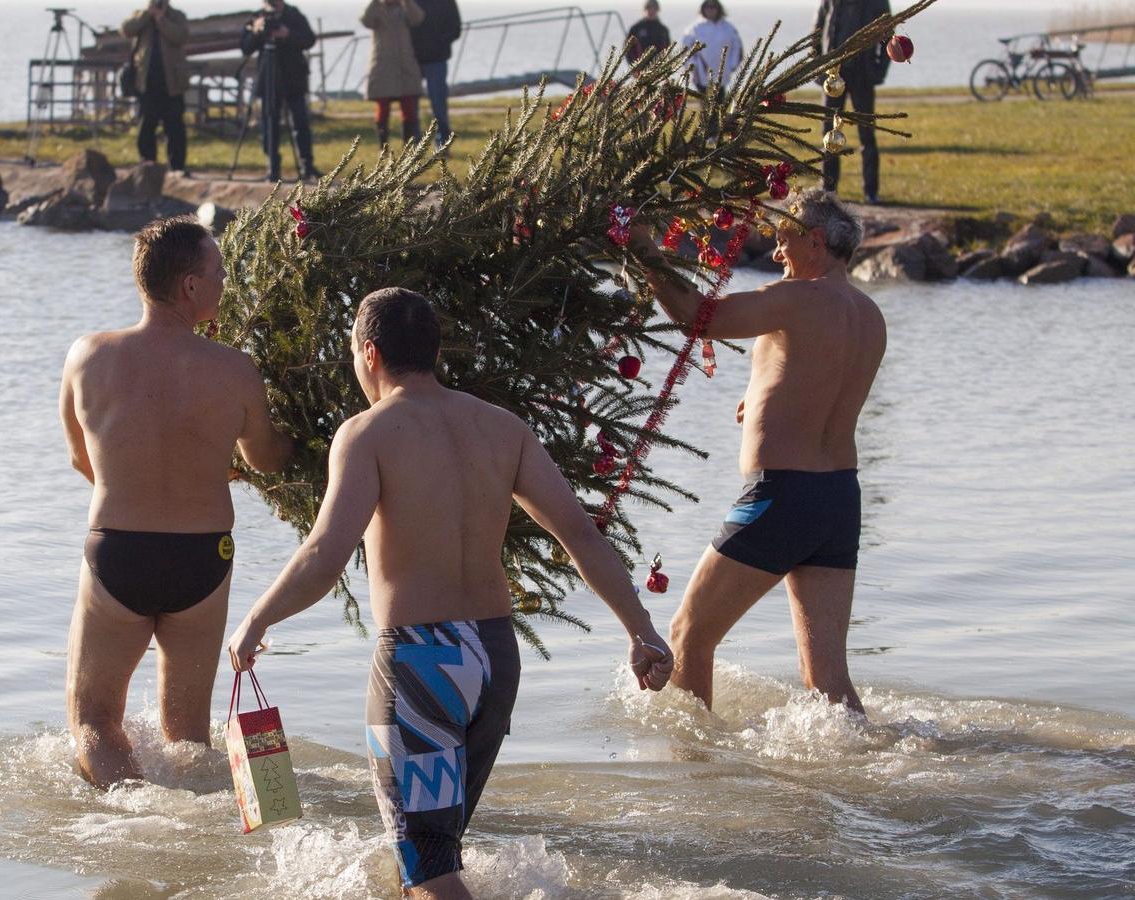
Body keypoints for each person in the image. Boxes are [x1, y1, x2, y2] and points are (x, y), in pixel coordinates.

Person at [227, 289, 673, 898]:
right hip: (492, 662)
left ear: (369, 353)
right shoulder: (503, 429)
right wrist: (641, 630)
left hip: (422, 670)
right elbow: (579, 534)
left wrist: (256, 617)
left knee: (430, 870)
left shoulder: (367, 434)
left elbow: (325, 553)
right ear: (435, 351)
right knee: (432, 856)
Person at [629, 189, 885, 715]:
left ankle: (699, 777)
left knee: (687, 637)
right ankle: (867, 779)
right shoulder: (868, 314)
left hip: (781, 496)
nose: (776, 254)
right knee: (827, 679)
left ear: (815, 242)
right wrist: (765, 395)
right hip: (839, 499)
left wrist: (642, 249)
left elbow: (696, 316)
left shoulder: (798, 299)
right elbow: (816, 380)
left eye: (784, 240)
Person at [59, 216, 294, 788]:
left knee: (94, 722)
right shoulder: (235, 369)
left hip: (120, 553)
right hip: (202, 559)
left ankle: (136, 815)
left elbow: (79, 459)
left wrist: (135, 487)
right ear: (189, 286)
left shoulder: (87, 356)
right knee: (187, 735)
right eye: (217, 272)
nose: (223, 282)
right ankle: (197, 816)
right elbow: (267, 460)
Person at [814, 0, 893, 204]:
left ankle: (871, 192)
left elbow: (888, 38)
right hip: (833, 75)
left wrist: (878, 71)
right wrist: (817, 70)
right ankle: (828, 189)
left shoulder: (876, 3)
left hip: (863, 74)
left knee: (867, 134)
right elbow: (817, 32)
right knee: (828, 134)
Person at [241, 0, 320, 182]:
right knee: (270, 123)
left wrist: (287, 34)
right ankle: (273, 167)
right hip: (269, 78)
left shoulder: (293, 15)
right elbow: (245, 47)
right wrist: (255, 31)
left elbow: (309, 39)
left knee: (300, 122)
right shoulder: (257, 17)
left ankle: (307, 166)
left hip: (293, 77)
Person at [122, 0, 192, 176]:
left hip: (171, 82)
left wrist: (161, 20)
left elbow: (180, 36)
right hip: (146, 82)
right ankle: (148, 165)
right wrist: (147, 15)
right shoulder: (141, 16)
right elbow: (126, 29)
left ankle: (177, 167)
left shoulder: (177, 16)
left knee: (174, 126)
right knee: (146, 125)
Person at [364, 0, 427, 149]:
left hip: (405, 66)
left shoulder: (406, 9)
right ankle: (383, 147)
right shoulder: (377, 9)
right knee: (383, 108)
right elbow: (366, 20)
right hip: (383, 66)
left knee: (409, 108)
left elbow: (418, 18)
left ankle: (408, 147)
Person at [409, 0, 461, 150]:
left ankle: (442, 144)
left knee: (438, 104)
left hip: (436, 58)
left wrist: (440, 43)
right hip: (413, 59)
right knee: (412, 105)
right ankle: (414, 146)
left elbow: (455, 28)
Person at [680, 0, 743, 91]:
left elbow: (737, 47)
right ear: (703, 9)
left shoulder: (728, 28)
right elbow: (686, 49)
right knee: (704, 101)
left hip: (722, 73)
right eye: (707, 7)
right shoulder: (695, 28)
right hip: (701, 74)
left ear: (719, 8)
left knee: (719, 101)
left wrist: (732, 65)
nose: (710, 10)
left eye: (713, 7)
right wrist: (693, 67)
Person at [625, 0, 672, 66]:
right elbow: (628, 50)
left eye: (654, 8)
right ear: (644, 9)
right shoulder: (636, 28)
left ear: (657, 10)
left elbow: (668, 50)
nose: (651, 10)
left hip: (659, 69)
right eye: (648, 8)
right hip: (640, 69)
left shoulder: (663, 30)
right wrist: (634, 68)